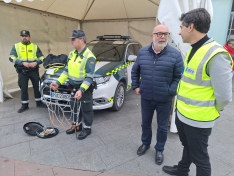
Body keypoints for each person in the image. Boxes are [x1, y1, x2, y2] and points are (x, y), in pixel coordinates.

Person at [162, 8, 233, 176]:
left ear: (191, 27)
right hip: (184, 114)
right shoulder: (193, 49)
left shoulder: (216, 55)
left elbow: (224, 96)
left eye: (181, 27)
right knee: (188, 147)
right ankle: (183, 169)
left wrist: (212, 109)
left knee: (200, 157)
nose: (179, 32)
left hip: (199, 119)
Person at [131, 24, 183, 165]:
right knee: (145, 123)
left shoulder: (175, 54)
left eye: (165, 34)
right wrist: (136, 86)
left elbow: (179, 77)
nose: (162, 36)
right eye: (159, 34)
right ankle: (145, 143)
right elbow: (135, 71)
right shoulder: (142, 52)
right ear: (152, 36)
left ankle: (159, 149)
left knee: (161, 127)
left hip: (164, 99)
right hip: (146, 97)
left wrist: (170, 91)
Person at [50, 29, 96, 140]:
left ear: (81, 40)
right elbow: (66, 71)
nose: (71, 42)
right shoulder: (71, 54)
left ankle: (87, 129)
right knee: (75, 108)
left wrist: (81, 90)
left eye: (73, 39)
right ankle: (77, 126)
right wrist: (57, 82)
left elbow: (89, 77)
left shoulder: (89, 56)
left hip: (84, 89)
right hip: (73, 88)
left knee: (86, 109)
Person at [9, 30, 47, 113]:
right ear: (20, 37)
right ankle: (24, 105)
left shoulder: (35, 46)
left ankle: (39, 102)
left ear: (29, 37)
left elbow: (42, 57)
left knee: (37, 86)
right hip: (22, 71)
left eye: (26, 36)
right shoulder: (16, 46)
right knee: (23, 88)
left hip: (33, 70)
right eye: (22, 36)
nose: (24, 37)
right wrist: (22, 63)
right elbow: (11, 58)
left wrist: (36, 62)